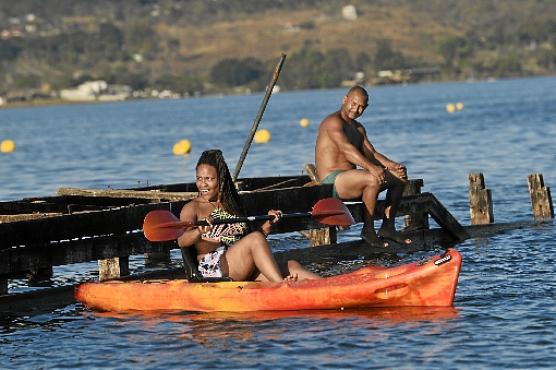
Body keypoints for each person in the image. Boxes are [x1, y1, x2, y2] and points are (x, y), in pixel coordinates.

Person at [177, 149, 321, 282]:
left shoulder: (232, 205)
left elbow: (251, 241)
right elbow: (182, 240)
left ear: (221, 180)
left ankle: (333, 286)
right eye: (199, 178)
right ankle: (280, 286)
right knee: (255, 239)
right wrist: (198, 231)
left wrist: (267, 225)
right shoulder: (192, 208)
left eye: (208, 179)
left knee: (292, 266)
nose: (203, 184)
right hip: (214, 270)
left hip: (241, 265)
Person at [315, 85, 412, 248]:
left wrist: (393, 166)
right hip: (332, 182)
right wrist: (371, 168)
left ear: (365, 108)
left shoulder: (358, 128)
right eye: (353, 104)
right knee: (372, 178)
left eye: (361, 107)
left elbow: (372, 154)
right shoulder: (332, 122)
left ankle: (388, 228)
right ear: (345, 100)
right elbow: (347, 150)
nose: (356, 109)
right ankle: (368, 231)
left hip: (353, 180)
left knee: (399, 178)